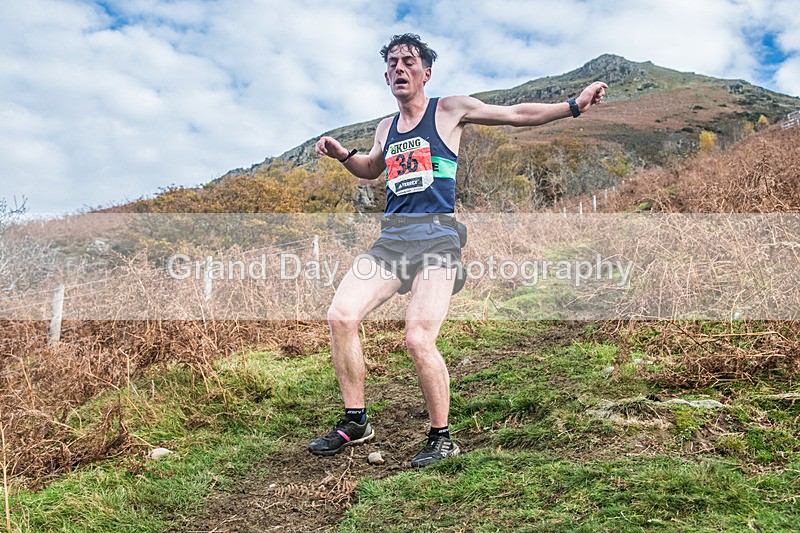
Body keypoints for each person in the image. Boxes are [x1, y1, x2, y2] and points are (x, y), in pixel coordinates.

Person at [309, 33, 606, 467]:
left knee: (417, 338)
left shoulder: (449, 109)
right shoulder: (385, 128)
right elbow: (371, 168)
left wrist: (574, 105)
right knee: (341, 316)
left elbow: (516, 114)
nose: (399, 69)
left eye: (408, 61)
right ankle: (356, 421)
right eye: (392, 63)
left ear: (425, 73)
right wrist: (343, 154)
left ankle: (441, 436)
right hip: (392, 241)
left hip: (437, 241)